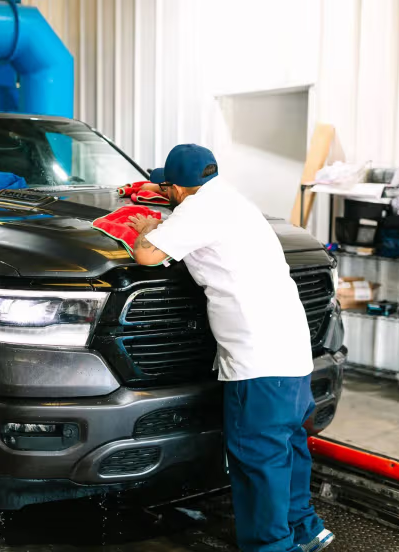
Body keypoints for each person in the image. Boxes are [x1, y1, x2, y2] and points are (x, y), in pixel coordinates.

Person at [126, 144, 334, 552]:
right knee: (288, 444)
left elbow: (147, 256)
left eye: (166, 186)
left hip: (257, 359)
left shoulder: (195, 210)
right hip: (292, 350)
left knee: (257, 458)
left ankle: (272, 547)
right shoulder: (235, 201)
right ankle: (306, 529)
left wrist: (142, 229)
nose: (164, 191)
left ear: (178, 188)